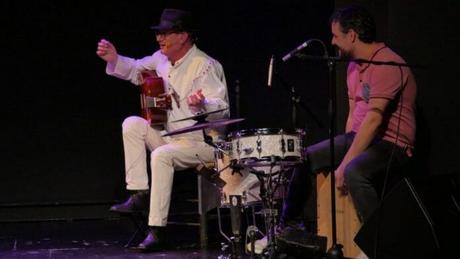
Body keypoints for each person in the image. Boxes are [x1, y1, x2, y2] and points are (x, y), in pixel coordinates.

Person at [96, 8, 229, 251]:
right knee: (132, 124)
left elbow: (223, 110)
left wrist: (203, 103)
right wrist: (114, 59)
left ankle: (157, 230)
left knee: (161, 155)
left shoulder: (205, 65)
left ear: (183, 36)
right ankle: (139, 193)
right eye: (159, 33)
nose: (160, 38)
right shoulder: (161, 59)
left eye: (166, 33)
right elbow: (137, 69)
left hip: (202, 145)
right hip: (171, 137)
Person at [279, 4, 417, 238]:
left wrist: (344, 164)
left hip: (392, 145)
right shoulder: (352, 67)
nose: (332, 41)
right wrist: (344, 148)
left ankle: (378, 244)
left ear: (351, 35)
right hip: (364, 136)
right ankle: (288, 226)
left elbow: (374, 120)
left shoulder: (387, 63)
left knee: (354, 172)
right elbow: (355, 117)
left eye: (336, 36)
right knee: (303, 156)